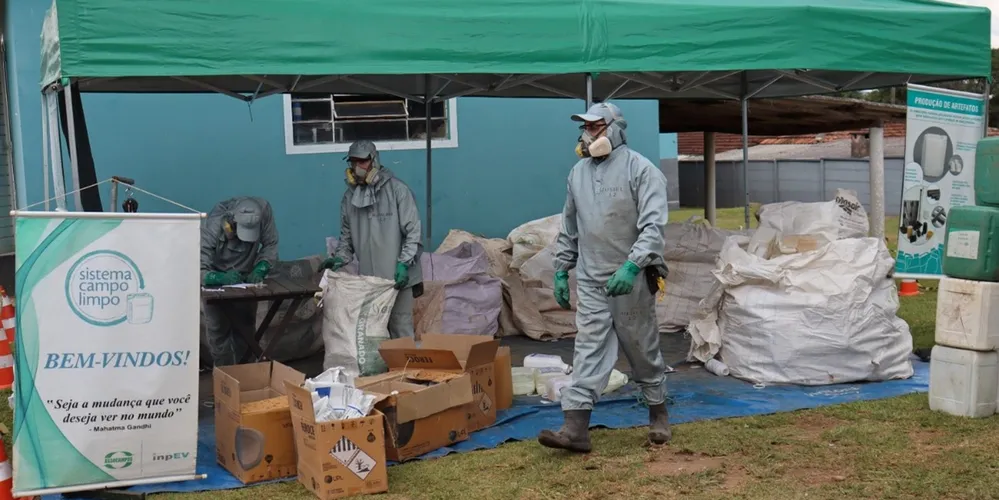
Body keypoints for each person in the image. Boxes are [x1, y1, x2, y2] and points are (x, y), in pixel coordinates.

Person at [537, 102, 671, 453]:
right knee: (588, 348)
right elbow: (570, 226)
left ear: (615, 129)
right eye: (585, 127)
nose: (588, 134)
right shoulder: (578, 173)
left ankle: (658, 413)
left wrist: (633, 265)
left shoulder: (641, 170)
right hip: (592, 278)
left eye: (595, 127)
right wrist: (562, 269)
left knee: (641, 348)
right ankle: (575, 429)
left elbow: (654, 226)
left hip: (631, 279)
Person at [322, 140, 423, 339]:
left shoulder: (397, 190)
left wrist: (404, 263)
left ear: (374, 161)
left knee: (400, 327)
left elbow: (413, 232)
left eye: (362, 161)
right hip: (369, 280)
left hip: (398, 276)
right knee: (373, 331)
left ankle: (406, 360)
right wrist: (339, 258)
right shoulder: (350, 198)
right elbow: (347, 237)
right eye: (353, 162)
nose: (357, 167)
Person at [200, 196, 279, 366]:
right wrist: (219, 278)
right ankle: (224, 374)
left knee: (245, 331)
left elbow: (271, 244)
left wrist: (262, 267)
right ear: (231, 224)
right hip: (217, 282)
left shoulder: (263, 211)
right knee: (218, 333)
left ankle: (246, 373)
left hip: (245, 280)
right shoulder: (212, 226)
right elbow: (198, 267)